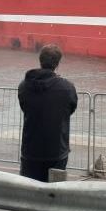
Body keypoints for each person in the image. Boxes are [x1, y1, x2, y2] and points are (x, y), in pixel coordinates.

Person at [17, 44, 78, 182]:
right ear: (57, 64)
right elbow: (71, 109)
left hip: (30, 151)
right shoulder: (67, 87)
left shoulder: (24, 86)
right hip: (57, 153)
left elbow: (24, 107)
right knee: (55, 192)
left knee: (29, 190)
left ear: (40, 60)